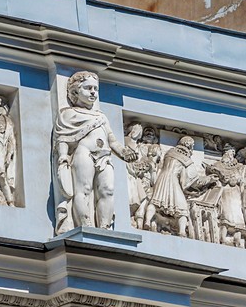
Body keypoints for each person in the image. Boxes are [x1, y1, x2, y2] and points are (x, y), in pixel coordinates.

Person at [53, 71, 136, 233]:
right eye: (88, 88)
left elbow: (112, 141)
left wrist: (124, 152)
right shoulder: (69, 114)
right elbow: (63, 138)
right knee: (83, 189)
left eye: (95, 89)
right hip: (84, 153)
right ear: (75, 92)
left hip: (105, 156)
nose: (93, 92)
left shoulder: (101, 116)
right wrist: (63, 156)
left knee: (107, 190)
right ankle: (86, 226)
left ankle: (104, 228)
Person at [144, 136, 216, 237]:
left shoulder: (169, 153)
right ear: (189, 145)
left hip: (161, 178)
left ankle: (147, 221)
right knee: (182, 208)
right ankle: (182, 231)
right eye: (193, 146)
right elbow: (193, 180)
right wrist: (209, 179)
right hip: (173, 181)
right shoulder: (186, 159)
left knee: (155, 201)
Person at [206, 143, 246, 247]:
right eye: (230, 152)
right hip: (225, 191)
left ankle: (238, 238)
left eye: (233, 152)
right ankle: (222, 237)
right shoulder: (219, 164)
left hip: (236, 193)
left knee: (238, 215)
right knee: (226, 214)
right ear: (225, 152)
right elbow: (211, 170)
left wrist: (235, 179)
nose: (232, 154)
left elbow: (240, 179)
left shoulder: (238, 166)